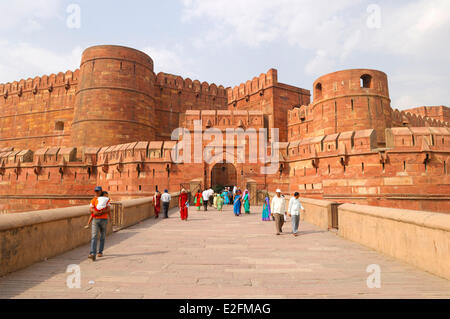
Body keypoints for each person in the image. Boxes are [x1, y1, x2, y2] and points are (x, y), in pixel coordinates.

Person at [88, 186, 111, 261]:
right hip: (95, 219)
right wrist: (94, 211)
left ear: (101, 191)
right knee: (94, 236)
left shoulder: (106, 199)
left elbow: (108, 208)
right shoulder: (94, 200)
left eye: (98, 191)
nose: (96, 192)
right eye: (95, 191)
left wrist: (101, 212)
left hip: (104, 219)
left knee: (102, 236)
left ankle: (100, 251)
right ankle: (92, 253)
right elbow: (91, 208)